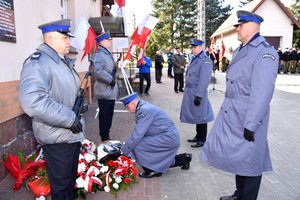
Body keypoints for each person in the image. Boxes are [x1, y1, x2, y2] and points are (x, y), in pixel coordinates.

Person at [200, 10, 279, 200]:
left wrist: (251, 124)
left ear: (251, 27)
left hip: (249, 116)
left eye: (240, 26)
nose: (237, 29)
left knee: (251, 161)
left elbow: (262, 93)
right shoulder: (242, 49)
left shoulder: (265, 53)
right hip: (235, 113)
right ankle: (239, 194)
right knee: (240, 158)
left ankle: (248, 197)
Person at [19, 19, 85, 199]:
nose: (69, 42)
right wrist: (70, 118)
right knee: (61, 187)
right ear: (51, 39)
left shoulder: (60, 62)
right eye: (65, 38)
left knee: (68, 184)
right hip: (57, 136)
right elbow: (33, 101)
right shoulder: (38, 63)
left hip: (69, 134)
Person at [119, 92, 192, 178]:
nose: (128, 110)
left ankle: (152, 170)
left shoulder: (144, 110)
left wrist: (124, 151)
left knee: (137, 145)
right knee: (154, 156)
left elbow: (137, 134)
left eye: (127, 107)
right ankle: (184, 159)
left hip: (167, 138)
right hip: (166, 136)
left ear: (132, 103)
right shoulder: (143, 107)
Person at [180, 39, 214, 148]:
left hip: (198, 92)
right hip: (191, 91)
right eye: (192, 47)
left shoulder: (205, 60)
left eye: (194, 47)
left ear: (200, 47)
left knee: (201, 116)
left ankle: (202, 139)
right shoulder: (195, 58)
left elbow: (204, 80)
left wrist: (199, 95)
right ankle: (198, 135)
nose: (192, 49)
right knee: (196, 115)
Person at [91, 31, 118, 142]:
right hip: (104, 91)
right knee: (105, 116)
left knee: (109, 115)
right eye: (107, 40)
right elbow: (95, 71)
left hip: (109, 91)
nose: (109, 42)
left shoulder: (106, 53)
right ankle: (104, 138)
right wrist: (110, 79)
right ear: (102, 42)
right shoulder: (99, 54)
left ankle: (106, 136)